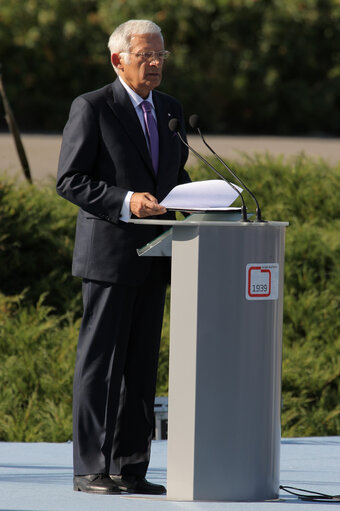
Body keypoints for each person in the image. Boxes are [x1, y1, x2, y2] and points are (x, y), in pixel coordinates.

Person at [56, 19, 190, 495]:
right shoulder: (93, 107)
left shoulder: (171, 110)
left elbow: (176, 175)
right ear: (119, 60)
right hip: (109, 256)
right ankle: (90, 468)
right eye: (145, 56)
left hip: (157, 257)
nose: (155, 64)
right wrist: (125, 200)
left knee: (140, 367)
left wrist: (206, 200)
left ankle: (131, 468)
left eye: (160, 56)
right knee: (101, 366)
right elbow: (69, 179)